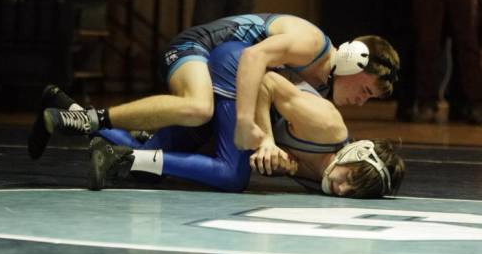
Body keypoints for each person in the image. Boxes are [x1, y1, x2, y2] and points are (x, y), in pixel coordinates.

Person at [28, 12, 400, 159]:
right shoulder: (311, 44)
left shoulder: (319, 83)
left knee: (168, 147)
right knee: (198, 108)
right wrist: (242, 121)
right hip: (199, 49)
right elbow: (253, 60)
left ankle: (67, 112)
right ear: (353, 61)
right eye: (365, 91)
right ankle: (89, 120)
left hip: (223, 70)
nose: (360, 102)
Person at [83, 40, 405, 198]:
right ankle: (127, 154)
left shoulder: (320, 177)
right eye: (352, 179)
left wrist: (274, 161)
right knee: (231, 176)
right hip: (237, 69)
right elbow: (266, 82)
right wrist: (265, 141)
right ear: (356, 154)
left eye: (354, 192)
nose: (343, 189)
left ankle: (74, 116)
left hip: (238, 105)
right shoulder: (327, 126)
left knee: (150, 169)